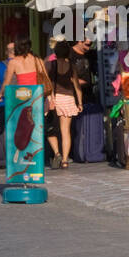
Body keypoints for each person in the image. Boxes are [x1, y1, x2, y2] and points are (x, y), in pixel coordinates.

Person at [46, 41, 82, 169]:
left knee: (51, 129)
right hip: (69, 99)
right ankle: (65, 160)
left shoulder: (51, 65)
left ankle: (57, 152)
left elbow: (46, 83)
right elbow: (77, 86)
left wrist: (49, 98)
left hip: (54, 99)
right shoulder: (71, 66)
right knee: (66, 131)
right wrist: (80, 103)